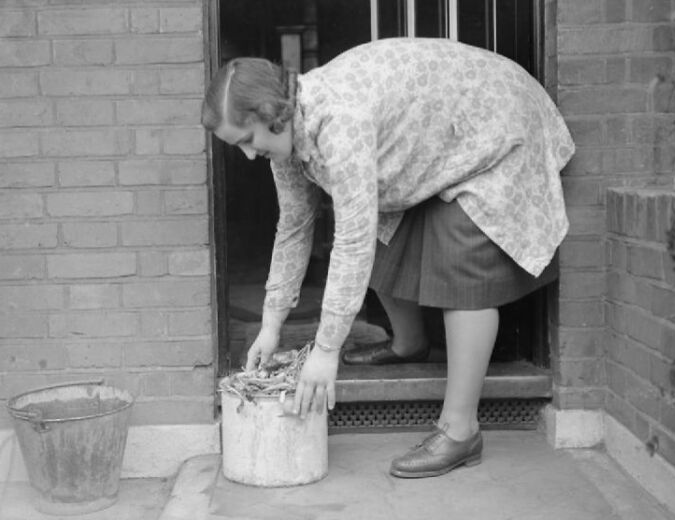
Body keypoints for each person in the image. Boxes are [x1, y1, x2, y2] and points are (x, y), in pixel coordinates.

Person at [201, 37, 574, 478]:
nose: (247, 155)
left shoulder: (340, 122)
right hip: (442, 133)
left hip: (496, 123)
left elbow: (353, 241)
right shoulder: (286, 133)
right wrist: (270, 324)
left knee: (462, 264)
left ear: (270, 115)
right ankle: (409, 342)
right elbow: (294, 228)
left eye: (247, 140)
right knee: (379, 232)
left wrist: (326, 350)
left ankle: (461, 431)